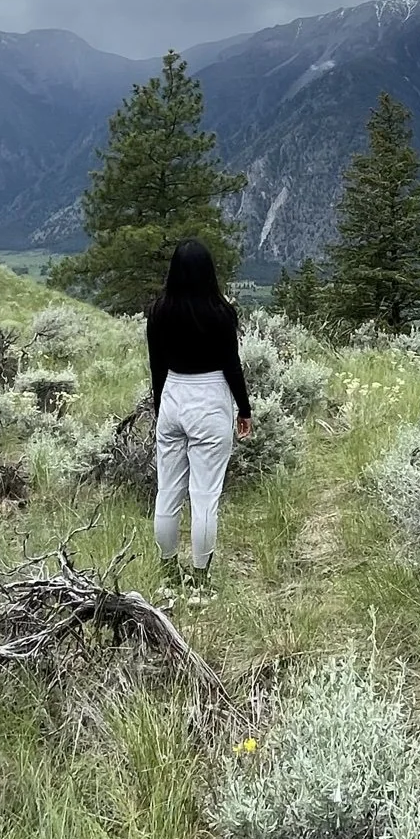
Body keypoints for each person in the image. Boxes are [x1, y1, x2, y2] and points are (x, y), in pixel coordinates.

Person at [147, 238, 252, 585]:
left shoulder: (159, 312)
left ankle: (167, 571)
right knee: (204, 496)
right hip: (209, 399)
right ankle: (200, 578)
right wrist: (244, 408)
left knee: (168, 492)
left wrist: (161, 406)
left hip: (173, 395)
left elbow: (156, 365)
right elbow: (231, 365)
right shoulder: (221, 314)